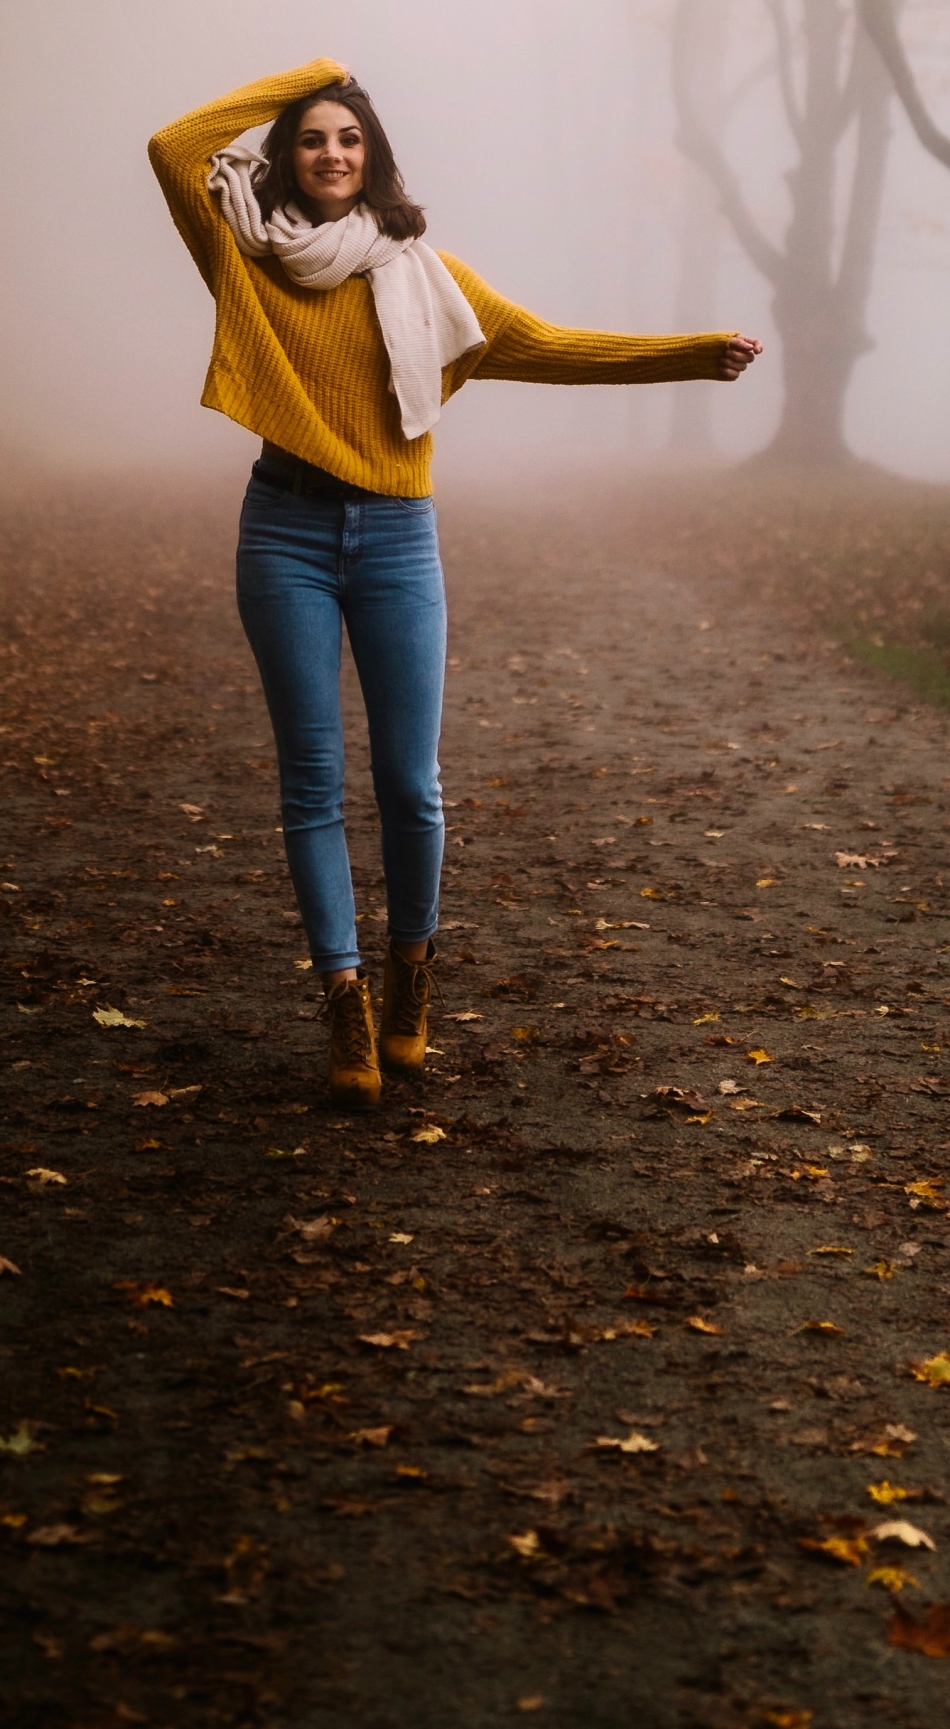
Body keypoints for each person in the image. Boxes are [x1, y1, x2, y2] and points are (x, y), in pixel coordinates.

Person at [149, 59, 761, 1110]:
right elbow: (174, 145)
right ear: (285, 157)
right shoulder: (245, 252)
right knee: (311, 779)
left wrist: (695, 354)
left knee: (410, 782)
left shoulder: (425, 277)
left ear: (375, 157)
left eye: (349, 137)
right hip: (283, 529)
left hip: (395, 536)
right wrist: (319, 72)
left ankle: (409, 972)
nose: (331, 153)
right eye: (310, 138)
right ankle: (340, 993)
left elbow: (548, 345)